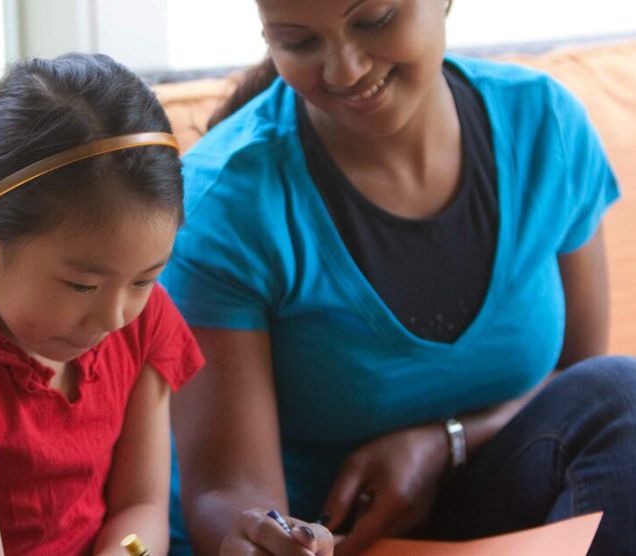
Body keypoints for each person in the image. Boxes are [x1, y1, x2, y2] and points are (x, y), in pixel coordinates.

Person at [161, 0, 636, 555]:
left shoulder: (543, 126)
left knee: (620, 396)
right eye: (298, 42)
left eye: (374, 21)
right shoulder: (227, 199)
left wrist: (445, 442)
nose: (345, 71)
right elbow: (227, 488)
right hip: (327, 540)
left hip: (493, 514)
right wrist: (269, 539)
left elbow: (577, 382)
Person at [0, 52, 204, 555]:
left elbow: (141, 507)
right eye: (82, 285)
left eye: (145, 279)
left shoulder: (143, 321)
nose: (113, 318)